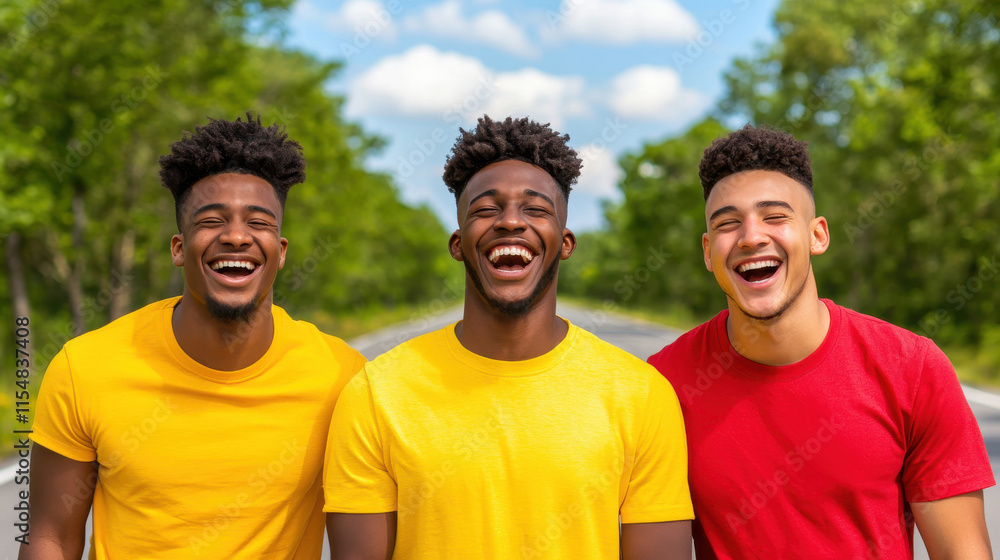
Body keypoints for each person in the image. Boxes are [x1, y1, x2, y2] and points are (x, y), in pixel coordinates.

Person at [323, 115, 693, 560]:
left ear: (566, 242)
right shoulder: (375, 393)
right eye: (486, 209)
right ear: (458, 244)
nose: (510, 222)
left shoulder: (643, 395)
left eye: (535, 209)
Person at [23, 113, 366, 559]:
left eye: (258, 222)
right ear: (179, 248)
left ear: (280, 253)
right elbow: (51, 537)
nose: (237, 236)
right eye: (211, 221)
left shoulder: (341, 378)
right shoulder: (85, 367)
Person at [648, 124, 995, 559]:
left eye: (775, 217)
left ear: (817, 235)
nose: (751, 236)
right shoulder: (661, 384)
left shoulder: (914, 368)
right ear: (706, 252)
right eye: (728, 223)